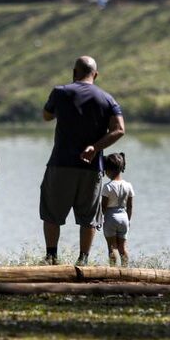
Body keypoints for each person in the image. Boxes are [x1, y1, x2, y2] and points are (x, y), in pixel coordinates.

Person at [40, 55, 125, 265]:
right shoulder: (107, 99)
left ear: (74, 73)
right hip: (92, 166)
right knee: (88, 216)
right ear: (95, 75)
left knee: (52, 213)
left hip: (60, 163)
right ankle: (83, 259)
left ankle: (51, 257)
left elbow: (46, 115)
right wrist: (95, 147)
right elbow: (119, 130)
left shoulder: (60, 92)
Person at [101, 152, 135, 267]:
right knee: (123, 247)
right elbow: (130, 206)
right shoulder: (128, 185)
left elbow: (103, 207)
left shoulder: (107, 187)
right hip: (124, 217)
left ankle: (113, 270)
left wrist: (101, 218)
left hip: (111, 217)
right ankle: (125, 270)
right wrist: (128, 220)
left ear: (108, 171)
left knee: (112, 247)